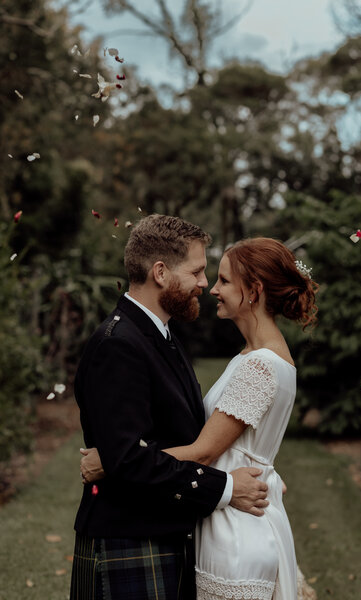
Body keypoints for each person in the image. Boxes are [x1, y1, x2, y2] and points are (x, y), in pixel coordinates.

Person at [82, 236, 319, 600]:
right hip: (225, 522)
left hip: (236, 534)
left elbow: (206, 451)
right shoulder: (256, 357)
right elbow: (243, 444)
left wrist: (112, 463)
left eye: (223, 280)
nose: (210, 287)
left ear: (253, 291)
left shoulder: (258, 365)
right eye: (203, 273)